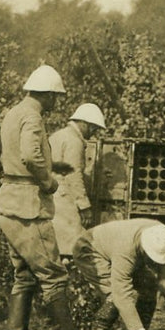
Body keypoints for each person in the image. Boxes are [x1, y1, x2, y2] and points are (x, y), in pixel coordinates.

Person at [0, 64, 78, 330]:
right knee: (53, 274)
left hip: (8, 203)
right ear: (48, 94)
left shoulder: (13, 113)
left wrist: (53, 164)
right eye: (56, 96)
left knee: (25, 275)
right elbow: (30, 155)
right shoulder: (32, 116)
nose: (56, 102)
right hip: (29, 206)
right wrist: (48, 180)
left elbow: (16, 155)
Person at [70, 218, 165, 330]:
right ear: (144, 248)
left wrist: (163, 286)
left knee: (149, 285)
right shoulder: (126, 250)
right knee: (115, 297)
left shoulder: (163, 234)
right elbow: (122, 295)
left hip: (116, 248)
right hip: (90, 250)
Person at [49, 102, 107, 259]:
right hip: (64, 201)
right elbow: (74, 175)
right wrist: (84, 206)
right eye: (93, 127)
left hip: (51, 197)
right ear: (84, 123)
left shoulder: (58, 136)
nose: (94, 132)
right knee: (73, 246)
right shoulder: (74, 141)